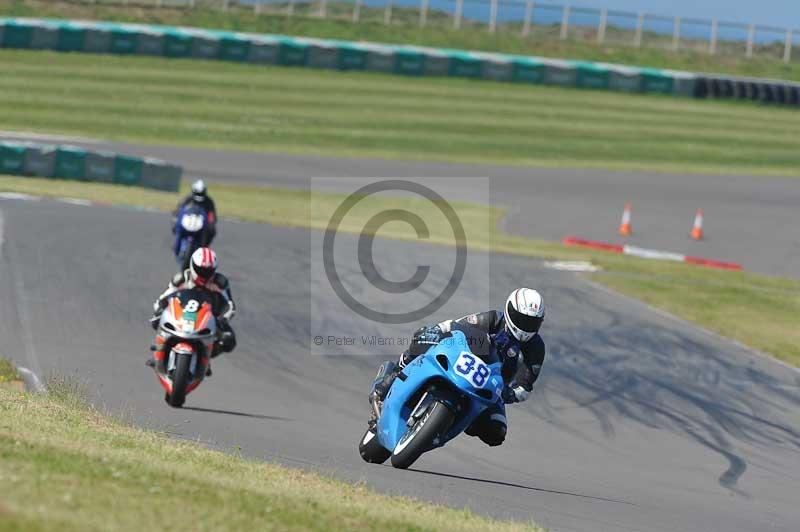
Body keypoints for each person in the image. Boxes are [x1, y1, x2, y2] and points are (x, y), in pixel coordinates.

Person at [369, 288, 546, 447]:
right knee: (422, 340)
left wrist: (512, 394)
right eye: (521, 319)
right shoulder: (493, 319)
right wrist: (437, 330)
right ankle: (391, 377)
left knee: (496, 432)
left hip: (492, 387)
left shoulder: (536, 348)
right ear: (509, 311)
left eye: (531, 322)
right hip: (461, 362)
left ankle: (449, 423)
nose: (525, 326)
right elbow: (456, 326)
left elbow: (526, 386)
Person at [147, 247, 236, 375]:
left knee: (229, 341)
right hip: (182, 313)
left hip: (209, 317)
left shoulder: (220, 282)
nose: (204, 275)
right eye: (200, 270)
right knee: (156, 321)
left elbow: (230, 305)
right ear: (193, 266)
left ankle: (206, 356)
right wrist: (160, 310)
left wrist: (222, 320)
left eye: (208, 271)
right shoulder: (181, 279)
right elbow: (162, 298)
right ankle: (160, 352)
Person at [173, 179, 217, 245]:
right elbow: (179, 208)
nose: (199, 195)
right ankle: (177, 241)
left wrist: (211, 223)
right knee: (175, 223)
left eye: (201, 193)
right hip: (189, 219)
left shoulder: (209, 201)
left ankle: (204, 246)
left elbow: (212, 214)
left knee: (212, 230)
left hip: (202, 222)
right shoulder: (188, 198)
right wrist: (176, 216)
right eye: (197, 193)